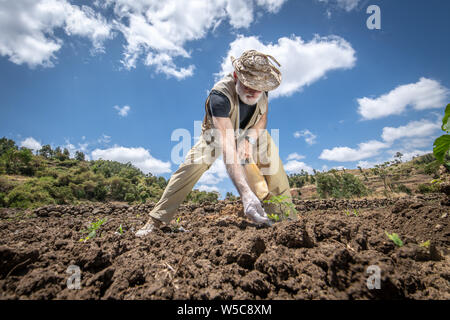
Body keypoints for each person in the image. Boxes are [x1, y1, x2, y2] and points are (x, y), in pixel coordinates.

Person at [136, 50, 296, 237]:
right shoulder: (219, 96)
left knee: (273, 166)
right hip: (218, 133)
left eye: (258, 87)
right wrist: (245, 194)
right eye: (248, 85)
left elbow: (263, 119)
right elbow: (228, 147)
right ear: (236, 76)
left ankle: (287, 222)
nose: (254, 91)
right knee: (193, 164)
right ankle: (156, 220)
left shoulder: (263, 89)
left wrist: (249, 139)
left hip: (249, 133)